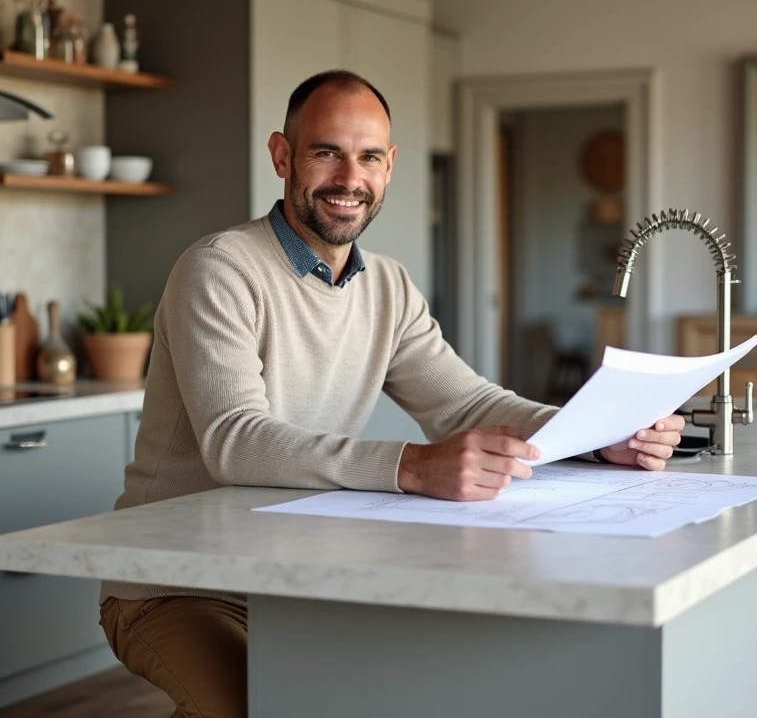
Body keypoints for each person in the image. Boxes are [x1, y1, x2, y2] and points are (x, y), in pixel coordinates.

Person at [98, 70, 685, 718]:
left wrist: (602, 435)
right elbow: (235, 441)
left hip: (300, 572)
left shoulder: (389, 287)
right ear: (282, 155)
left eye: (370, 156)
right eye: (327, 152)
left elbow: (464, 404)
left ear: (390, 166)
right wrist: (412, 466)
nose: (350, 177)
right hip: (177, 580)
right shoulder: (219, 269)